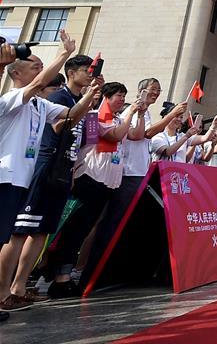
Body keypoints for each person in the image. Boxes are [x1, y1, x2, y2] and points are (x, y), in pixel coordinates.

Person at [0, 55, 100, 310]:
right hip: (21, 173)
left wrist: (90, 96)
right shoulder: (13, 99)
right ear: (16, 73)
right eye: (33, 64)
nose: (40, 67)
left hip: (41, 173)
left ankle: (18, 287)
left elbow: (70, 118)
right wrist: (64, 53)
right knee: (17, 233)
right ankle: (3, 293)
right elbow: (56, 125)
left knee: (40, 231)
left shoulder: (41, 104)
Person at [46, 82, 146, 296]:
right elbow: (113, 136)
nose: (122, 99)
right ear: (106, 98)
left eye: (124, 96)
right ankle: (60, 278)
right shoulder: (92, 116)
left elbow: (137, 135)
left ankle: (68, 274)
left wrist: (139, 115)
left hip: (108, 181)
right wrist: (130, 113)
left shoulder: (119, 119)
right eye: (119, 95)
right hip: (90, 178)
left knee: (86, 229)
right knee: (76, 229)